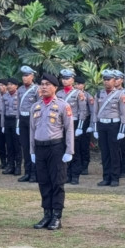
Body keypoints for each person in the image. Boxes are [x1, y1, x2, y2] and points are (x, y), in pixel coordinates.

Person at [30, 74, 74, 231]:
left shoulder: (63, 105)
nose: (43, 87)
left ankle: (56, 216)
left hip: (56, 148)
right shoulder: (35, 106)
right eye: (42, 84)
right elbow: (32, 130)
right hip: (40, 148)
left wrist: (69, 150)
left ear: (55, 87)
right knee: (43, 182)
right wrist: (32, 151)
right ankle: (47, 214)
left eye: (47, 84)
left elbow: (69, 129)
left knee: (57, 182)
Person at [91, 70, 125, 187]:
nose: (106, 82)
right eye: (105, 79)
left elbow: (124, 113)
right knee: (105, 152)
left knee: (114, 152)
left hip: (114, 125)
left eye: (109, 79)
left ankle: (115, 177)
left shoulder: (120, 94)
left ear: (114, 80)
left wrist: (122, 130)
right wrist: (95, 128)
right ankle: (106, 177)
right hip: (102, 125)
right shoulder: (99, 94)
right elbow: (95, 112)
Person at [57, 69, 88, 185]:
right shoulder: (59, 94)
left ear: (73, 80)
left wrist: (80, 127)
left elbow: (82, 111)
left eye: (67, 78)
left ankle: (75, 175)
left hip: (74, 123)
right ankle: (67, 174)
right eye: (63, 78)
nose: (65, 81)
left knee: (75, 150)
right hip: (61, 124)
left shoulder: (78, 93)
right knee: (63, 149)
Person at [17, 66, 39, 182]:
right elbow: (18, 107)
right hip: (22, 119)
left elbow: (40, 106)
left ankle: (35, 173)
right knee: (25, 147)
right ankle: (27, 172)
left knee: (33, 146)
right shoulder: (20, 89)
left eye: (27, 75)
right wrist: (17, 123)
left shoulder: (37, 89)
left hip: (32, 119)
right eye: (23, 75)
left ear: (32, 76)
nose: (24, 78)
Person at [2, 78, 21, 175]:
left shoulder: (19, 95)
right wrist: (2, 125)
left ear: (16, 86)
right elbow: (3, 111)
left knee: (16, 145)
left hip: (15, 121)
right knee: (9, 145)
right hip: (7, 120)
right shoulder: (5, 96)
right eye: (8, 84)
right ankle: (11, 166)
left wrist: (19, 124)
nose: (9, 86)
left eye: (11, 84)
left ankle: (18, 167)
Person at [76, 75, 92, 175]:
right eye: (76, 84)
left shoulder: (88, 96)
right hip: (75, 121)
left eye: (79, 84)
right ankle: (77, 165)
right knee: (76, 145)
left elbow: (92, 111)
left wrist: (91, 125)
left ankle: (85, 165)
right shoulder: (72, 95)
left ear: (83, 85)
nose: (77, 86)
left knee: (84, 145)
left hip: (85, 122)